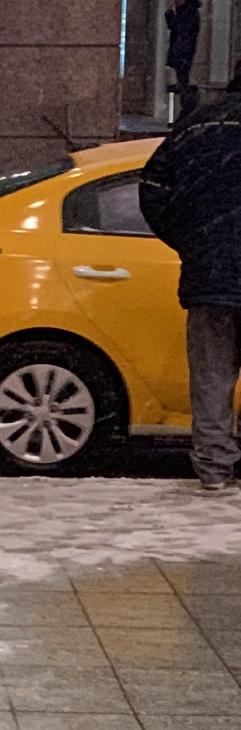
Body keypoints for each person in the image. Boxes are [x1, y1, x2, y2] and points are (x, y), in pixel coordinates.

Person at [139, 60, 241, 490]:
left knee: (212, 377)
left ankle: (214, 470)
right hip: (213, 268)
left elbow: (152, 188)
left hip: (210, 278)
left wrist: (190, 241)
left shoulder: (196, 126)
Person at [167, 0, 203, 119]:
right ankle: (186, 111)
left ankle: (186, 111)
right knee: (182, 82)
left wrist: (171, 13)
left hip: (183, 53)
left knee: (183, 83)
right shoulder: (187, 10)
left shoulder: (187, 11)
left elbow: (180, 30)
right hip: (183, 52)